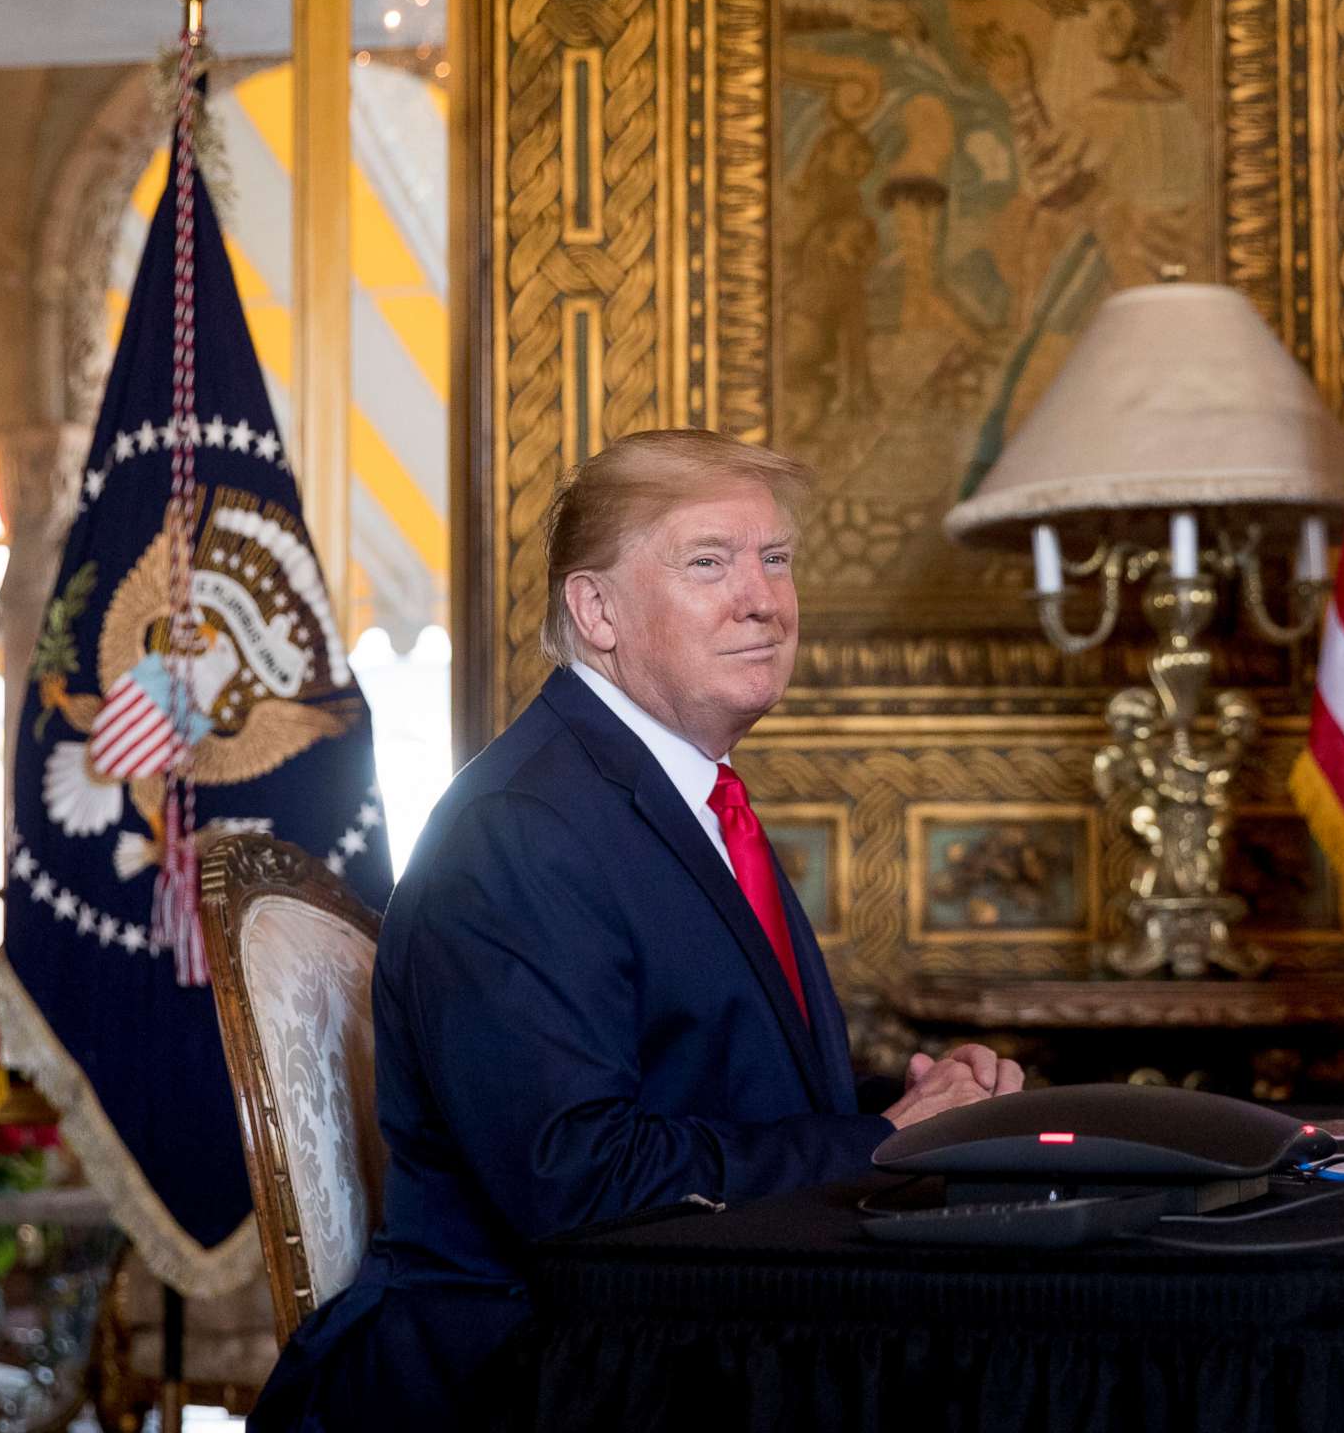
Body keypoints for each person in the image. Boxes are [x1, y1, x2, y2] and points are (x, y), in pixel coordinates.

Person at [251, 429, 1024, 1429]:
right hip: (528, 1372)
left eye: (775, 560)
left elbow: (706, 1084)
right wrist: (878, 1144)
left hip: (671, 1327)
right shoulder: (520, 830)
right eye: (709, 562)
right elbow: (582, 1181)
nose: (763, 599)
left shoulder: (681, 799)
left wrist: (924, 1105)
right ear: (597, 610)